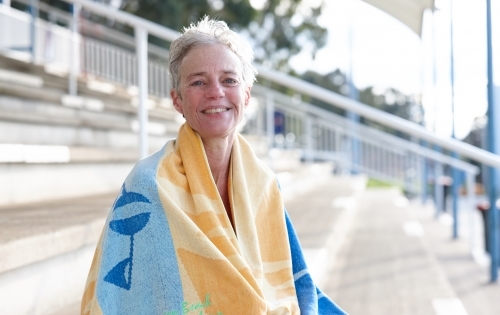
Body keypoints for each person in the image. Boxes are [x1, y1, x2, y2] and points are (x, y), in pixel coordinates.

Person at [81, 16, 346, 315]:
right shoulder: (148, 184)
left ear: (246, 95)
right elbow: (119, 300)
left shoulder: (264, 183)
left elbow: (287, 283)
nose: (216, 92)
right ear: (177, 100)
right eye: (198, 82)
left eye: (229, 80)